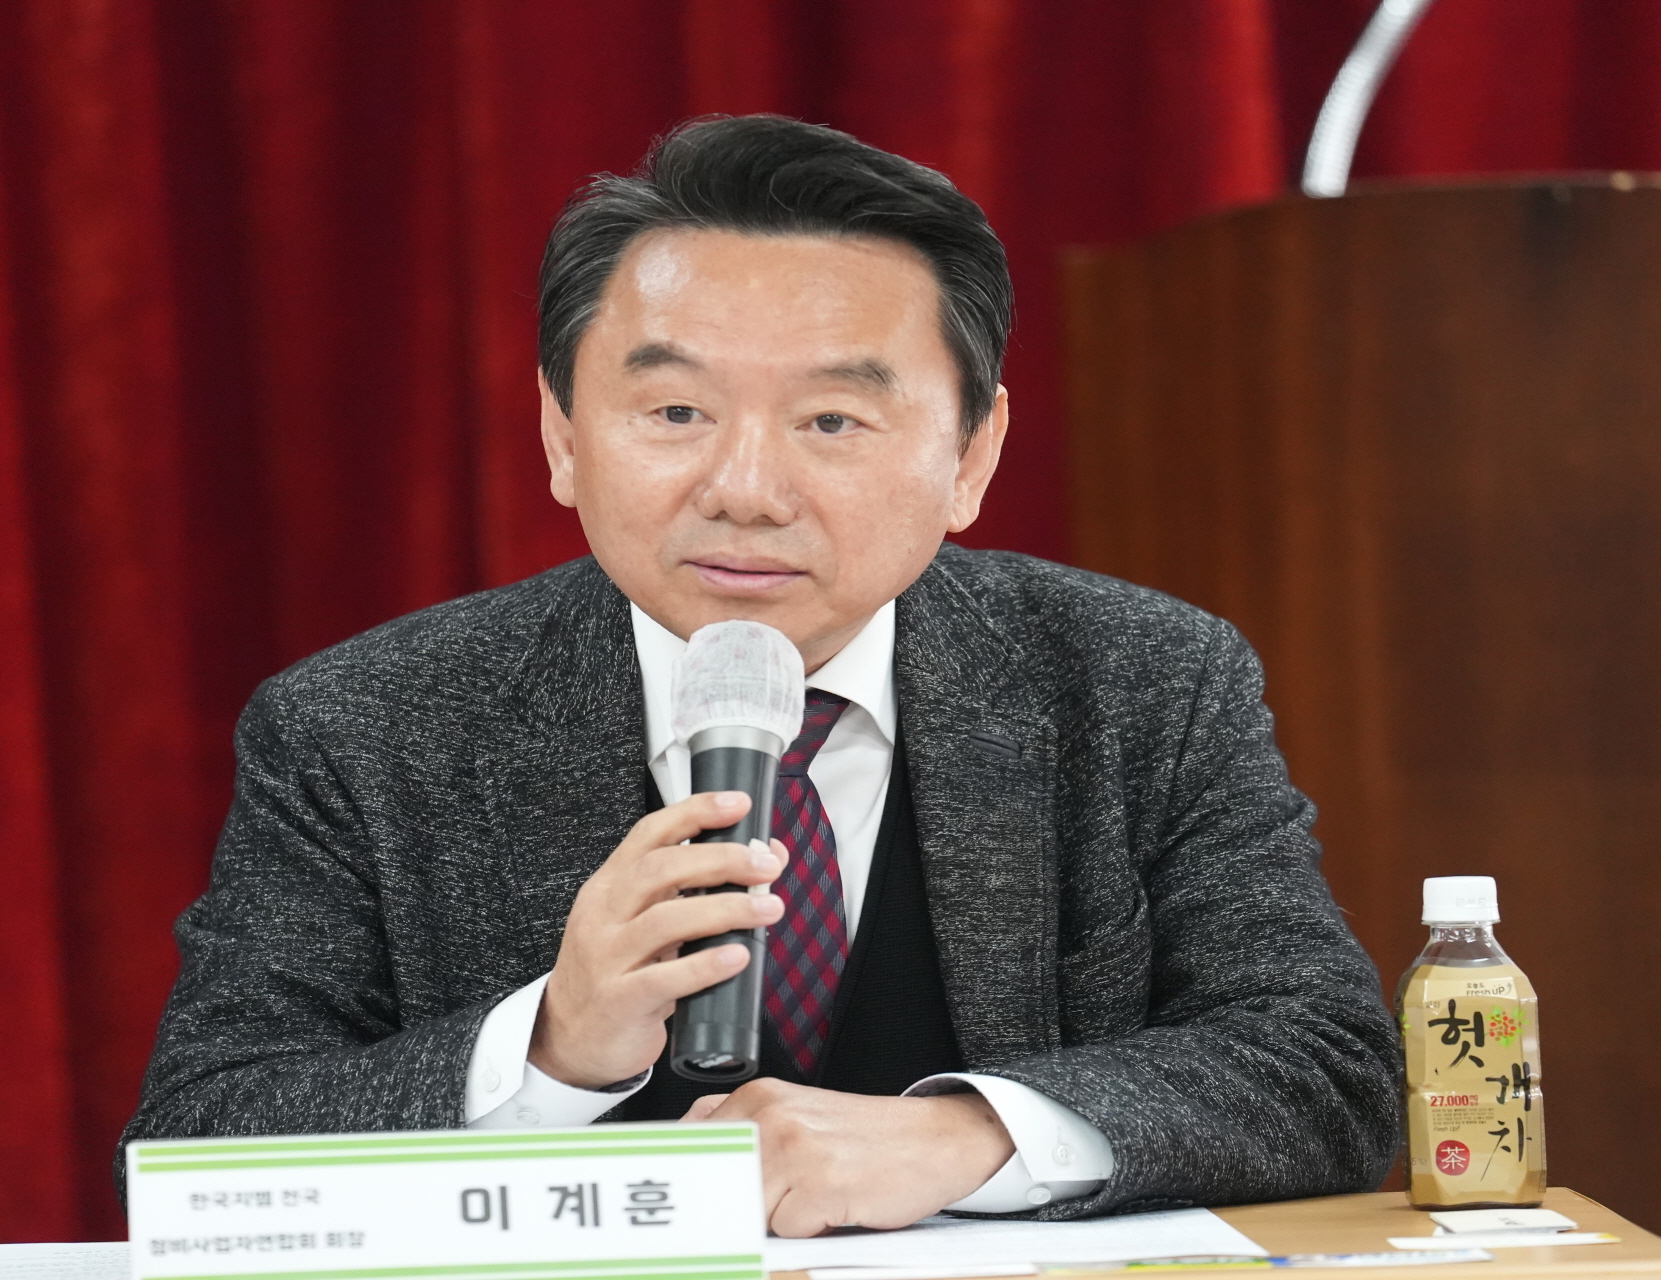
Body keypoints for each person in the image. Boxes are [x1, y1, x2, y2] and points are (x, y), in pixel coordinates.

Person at [122, 115, 1400, 1236]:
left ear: (972, 454)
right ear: (563, 435)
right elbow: (196, 1148)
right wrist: (549, 1048)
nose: (745, 490)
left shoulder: (1140, 683)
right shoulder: (362, 727)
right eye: (676, 413)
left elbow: (1325, 1067)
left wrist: (961, 1136)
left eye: (831, 419)